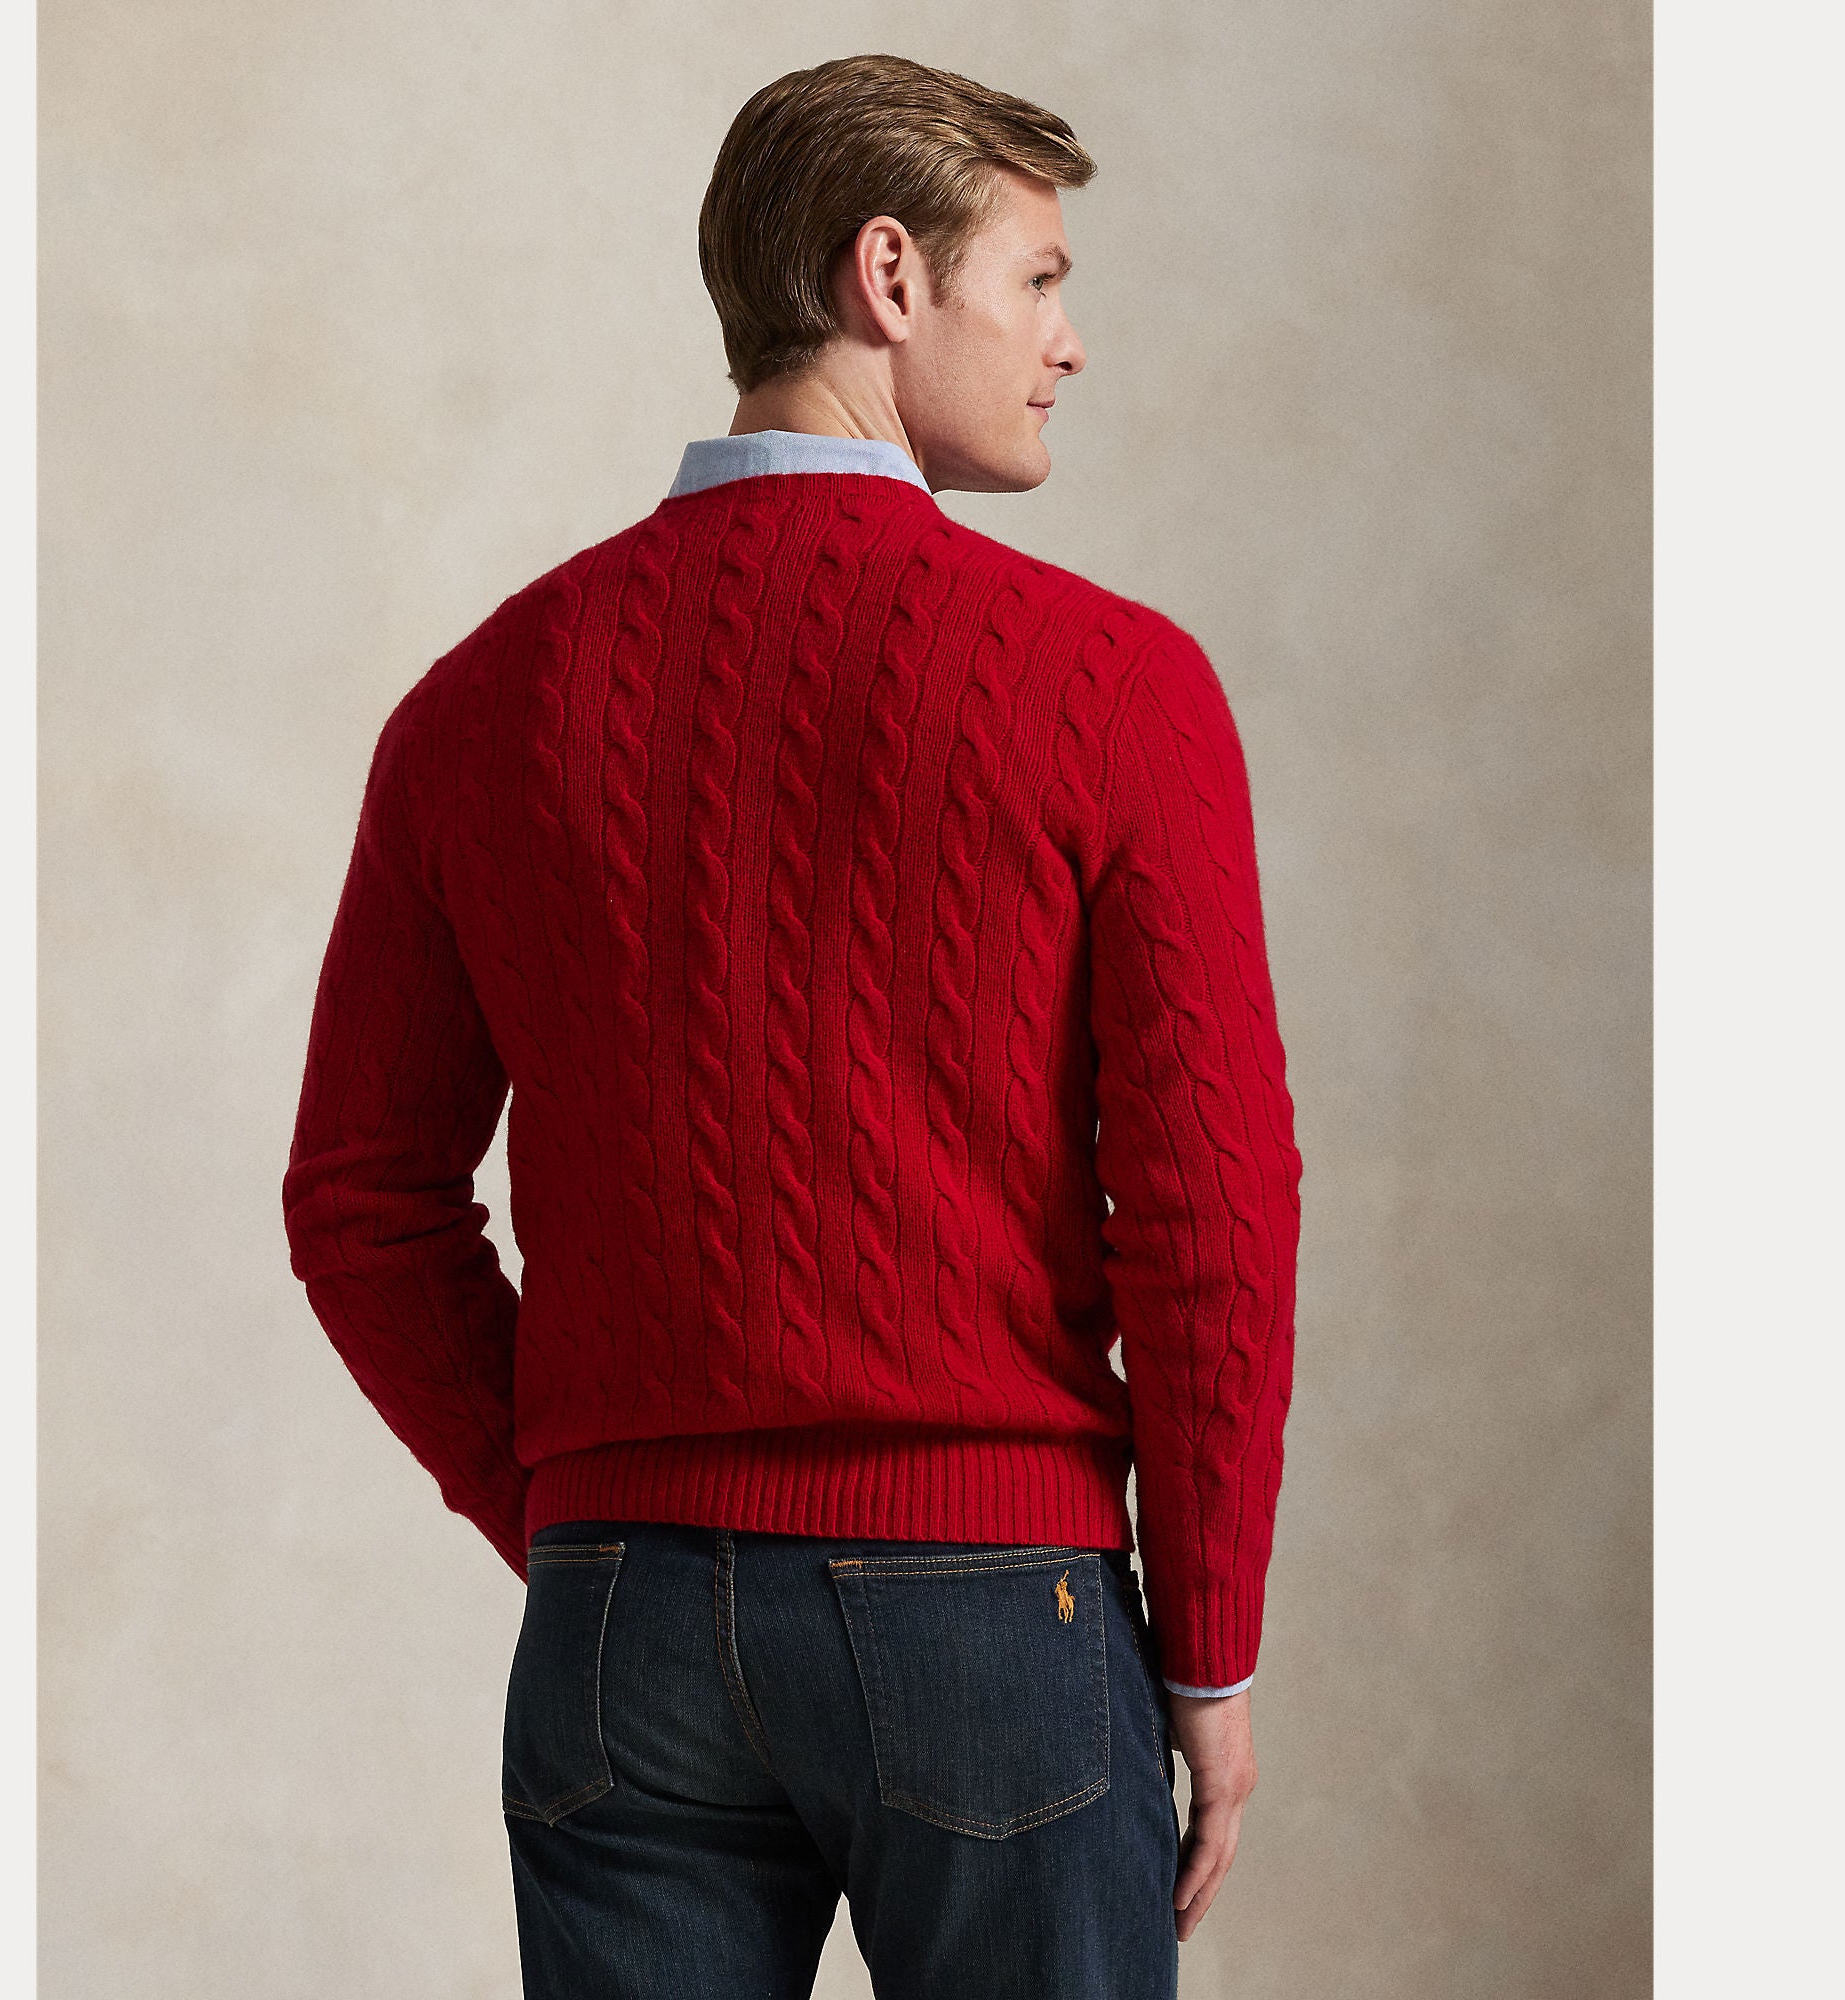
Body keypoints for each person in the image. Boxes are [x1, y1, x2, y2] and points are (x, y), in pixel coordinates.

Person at [283, 51, 1302, 2000]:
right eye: (1040, 280)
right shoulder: (1112, 685)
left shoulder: (481, 702)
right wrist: (1211, 1646)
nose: (1070, 343)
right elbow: (1211, 1213)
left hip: (621, 1622)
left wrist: (573, 1514)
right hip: (997, 1610)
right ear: (890, 275)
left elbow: (361, 1201)